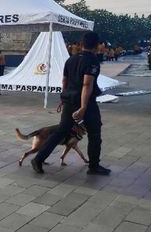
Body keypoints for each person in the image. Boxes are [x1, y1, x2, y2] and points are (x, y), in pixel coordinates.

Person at [31, 31, 111, 176]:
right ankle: (94, 166)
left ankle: (38, 159)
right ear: (96, 45)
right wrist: (83, 107)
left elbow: (64, 81)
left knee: (61, 131)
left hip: (69, 100)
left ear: (82, 44)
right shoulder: (92, 61)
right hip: (85, 103)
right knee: (94, 132)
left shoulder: (71, 59)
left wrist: (64, 98)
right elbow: (87, 84)